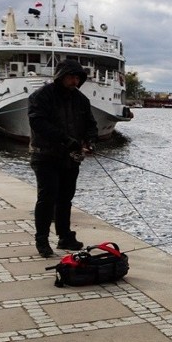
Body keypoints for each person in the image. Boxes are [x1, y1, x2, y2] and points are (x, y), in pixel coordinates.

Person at [28, 59, 98, 258]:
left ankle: (64, 237)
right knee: (47, 198)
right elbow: (38, 122)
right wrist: (66, 140)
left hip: (70, 158)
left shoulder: (81, 100)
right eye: (71, 77)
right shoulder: (41, 96)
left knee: (65, 198)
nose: (74, 81)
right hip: (45, 155)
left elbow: (90, 125)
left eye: (78, 77)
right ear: (60, 76)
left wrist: (90, 141)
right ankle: (42, 240)